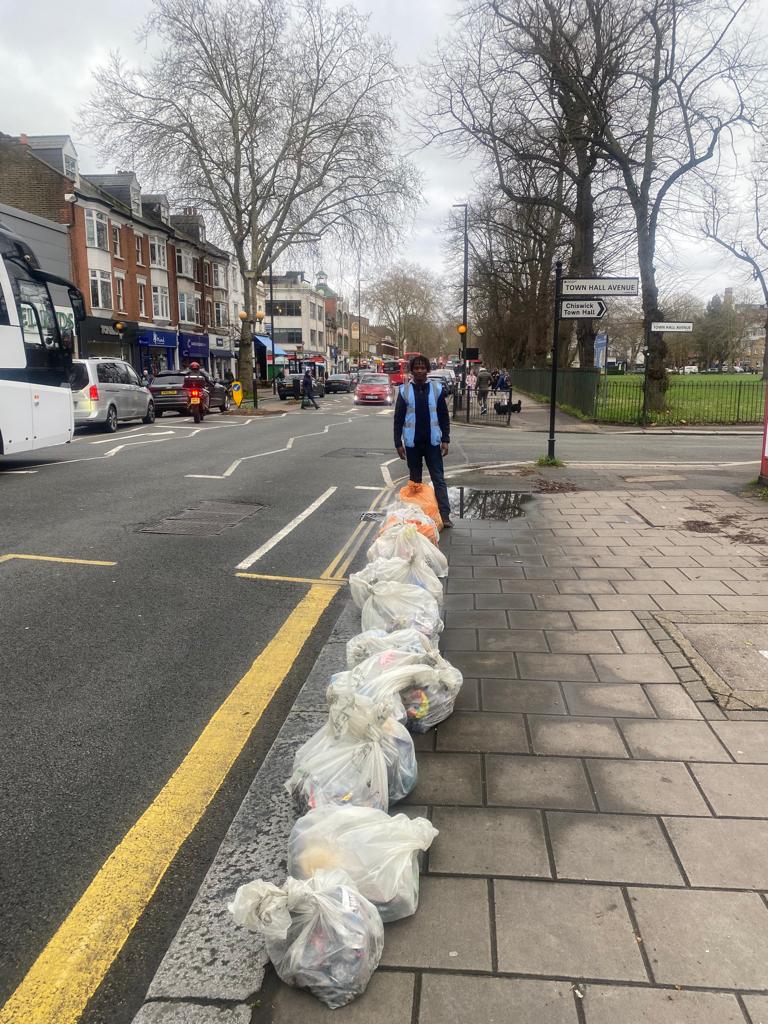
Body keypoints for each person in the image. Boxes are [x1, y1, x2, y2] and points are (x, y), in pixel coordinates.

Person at [394, 355, 452, 528]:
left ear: (427, 370)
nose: (419, 371)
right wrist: (398, 443)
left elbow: (443, 416)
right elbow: (398, 419)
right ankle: (417, 516)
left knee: (438, 479)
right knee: (415, 482)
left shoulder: (436, 389)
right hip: (412, 444)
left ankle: (444, 515)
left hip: (432, 443)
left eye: (422, 368)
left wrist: (445, 439)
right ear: (412, 370)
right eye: (416, 368)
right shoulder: (404, 390)